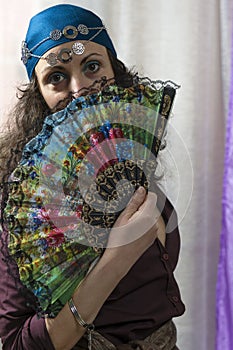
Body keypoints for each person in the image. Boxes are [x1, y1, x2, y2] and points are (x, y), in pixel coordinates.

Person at [0, 4, 185, 350]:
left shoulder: (133, 160)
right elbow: (15, 344)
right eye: (56, 76)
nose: (80, 88)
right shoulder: (26, 207)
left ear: (114, 71)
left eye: (92, 66)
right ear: (37, 95)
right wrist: (117, 259)